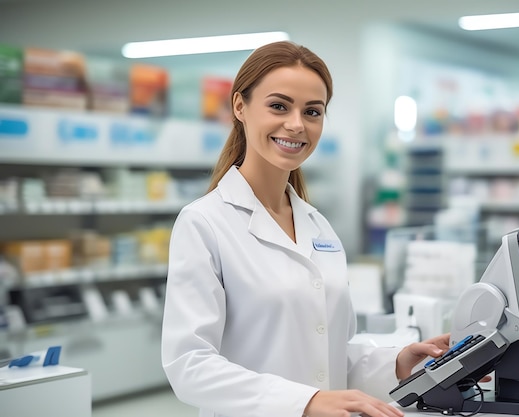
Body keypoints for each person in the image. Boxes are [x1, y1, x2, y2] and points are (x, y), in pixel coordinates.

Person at [161, 40, 450, 417]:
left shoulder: (318, 226)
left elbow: (331, 355)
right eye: (279, 106)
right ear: (239, 106)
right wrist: (305, 401)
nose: (296, 124)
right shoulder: (204, 223)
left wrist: (398, 362)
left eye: (312, 111)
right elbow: (190, 365)